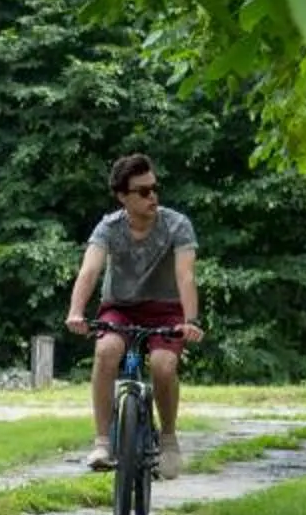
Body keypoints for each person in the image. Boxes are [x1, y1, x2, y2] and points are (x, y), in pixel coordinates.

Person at [64, 153, 203, 476]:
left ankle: (168, 441)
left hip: (166, 309)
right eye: (142, 191)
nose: (152, 196)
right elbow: (90, 270)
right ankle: (102, 442)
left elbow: (186, 276)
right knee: (106, 350)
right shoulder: (109, 227)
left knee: (163, 365)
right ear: (122, 196)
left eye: (155, 188)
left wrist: (190, 321)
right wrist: (76, 312)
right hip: (120, 308)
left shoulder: (177, 225)